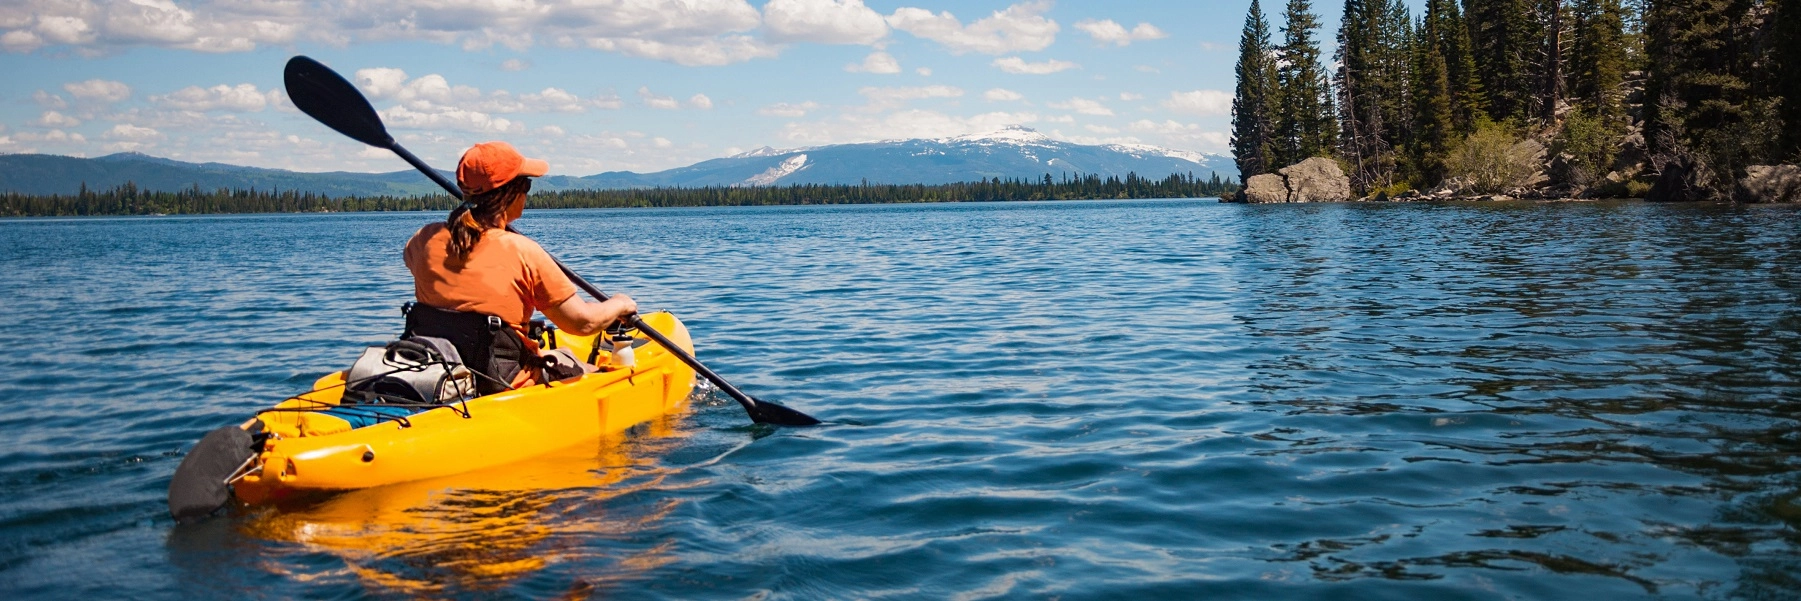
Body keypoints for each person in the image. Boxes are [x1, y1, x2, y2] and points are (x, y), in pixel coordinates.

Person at [402, 141, 636, 388]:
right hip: (504, 381)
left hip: (439, 372)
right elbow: (582, 322)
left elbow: (414, 262)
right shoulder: (522, 250)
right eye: (526, 185)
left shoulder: (423, 239)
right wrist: (619, 304)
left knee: (549, 355)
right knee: (577, 363)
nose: (526, 194)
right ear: (510, 193)